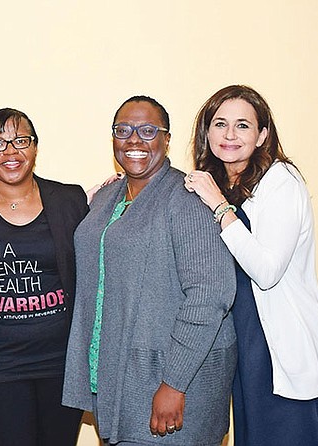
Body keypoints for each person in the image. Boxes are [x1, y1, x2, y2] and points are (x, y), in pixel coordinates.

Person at [62, 96, 237, 445]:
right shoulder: (108, 197)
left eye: (147, 131)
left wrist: (174, 382)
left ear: (166, 139)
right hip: (119, 380)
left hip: (171, 382)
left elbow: (211, 293)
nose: (134, 140)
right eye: (123, 130)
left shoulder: (185, 198)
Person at [184, 84, 318, 446]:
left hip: (281, 344)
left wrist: (220, 207)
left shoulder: (281, 181)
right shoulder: (214, 185)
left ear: (262, 135)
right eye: (219, 123)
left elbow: (267, 271)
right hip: (242, 343)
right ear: (205, 132)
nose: (229, 134)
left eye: (243, 125)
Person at [0, 108, 87, 446]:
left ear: (35, 147)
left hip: (61, 361)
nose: (11, 152)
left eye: (20, 140)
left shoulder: (70, 199)